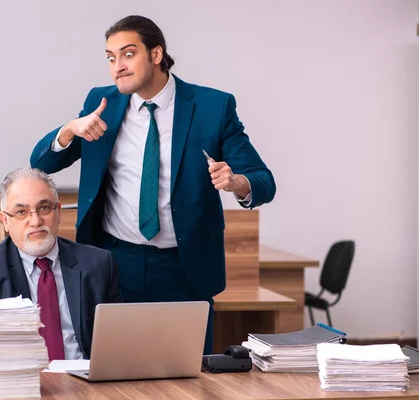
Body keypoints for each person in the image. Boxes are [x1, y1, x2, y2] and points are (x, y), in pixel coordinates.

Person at [30, 15, 276, 354]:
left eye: (128, 54)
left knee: (188, 375)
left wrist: (237, 183)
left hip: (183, 268)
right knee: (114, 372)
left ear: (156, 54)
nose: (117, 66)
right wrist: (70, 130)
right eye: (110, 57)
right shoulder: (101, 103)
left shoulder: (211, 107)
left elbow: (264, 181)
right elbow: (42, 163)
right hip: (113, 263)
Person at [0, 167, 122, 360]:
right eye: (21, 211)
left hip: (84, 377)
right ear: (5, 221)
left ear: (58, 212)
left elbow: (117, 341)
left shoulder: (98, 263)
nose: (35, 221)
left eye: (44, 208)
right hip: (16, 380)